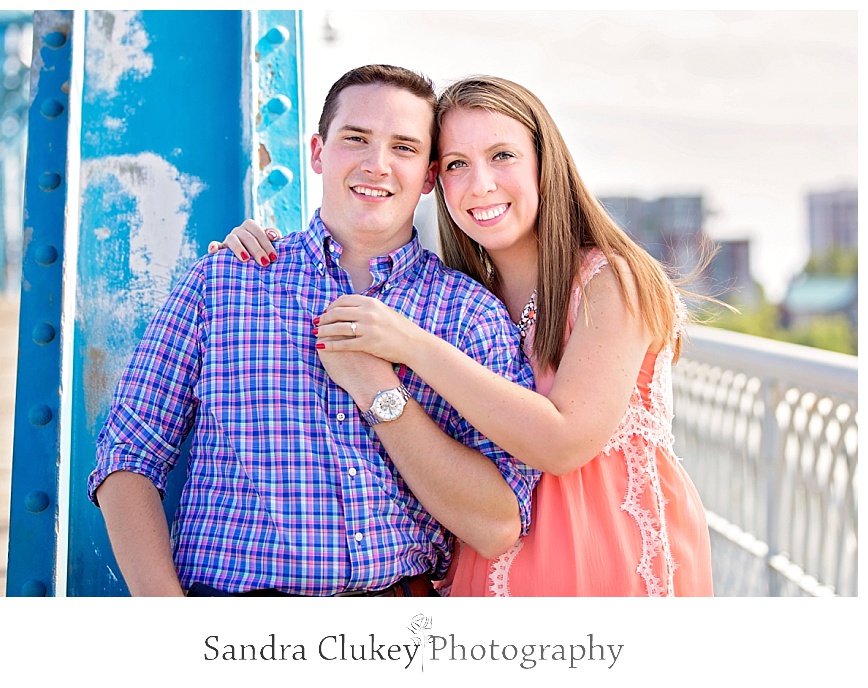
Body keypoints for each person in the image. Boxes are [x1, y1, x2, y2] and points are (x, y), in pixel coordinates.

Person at [216, 75, 714, 596]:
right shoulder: (470, 302)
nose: (480, 185)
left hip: (603, 559)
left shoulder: (608, 281)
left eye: (502, 156)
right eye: (457, 164)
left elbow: (565, 442)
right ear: (436, 179)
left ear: (546, 163)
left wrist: (410, 345)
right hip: (490, 567)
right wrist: (257, 246)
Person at [88, 65, 540, 597]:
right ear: (318, 151)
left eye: (404, 148)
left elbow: (495, 526)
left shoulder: (469, 315)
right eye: (356, 139)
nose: (377, 165)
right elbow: (128, 454)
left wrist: (383, 395)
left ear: (429, 175)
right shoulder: (225, 281)